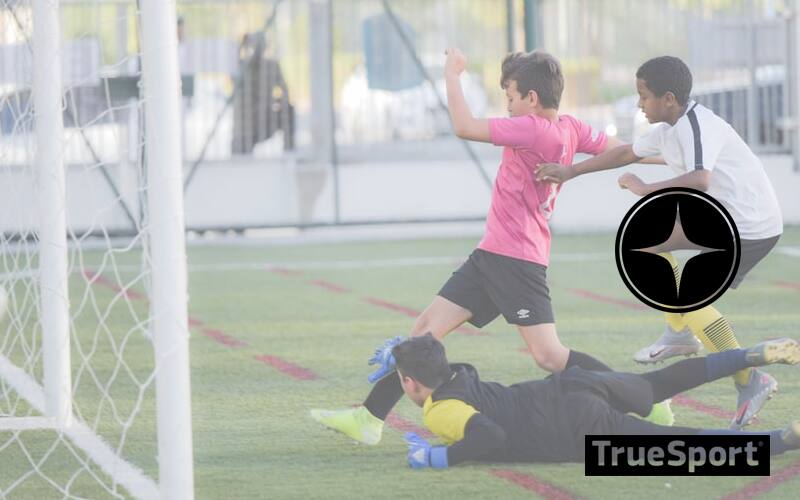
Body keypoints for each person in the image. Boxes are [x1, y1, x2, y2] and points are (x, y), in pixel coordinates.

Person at [311, 48, 671, 446]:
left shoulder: (532, 128)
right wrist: (667, 156)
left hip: (516, 260)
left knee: (550, 356)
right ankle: (369, 419)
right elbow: (620, 148)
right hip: (492, 255)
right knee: (424, 333)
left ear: (532, 98)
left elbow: (464, 126)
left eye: (511, 97)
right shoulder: (570, 127)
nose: (508, 106)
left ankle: (644, 398)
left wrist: (452, 74)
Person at [535, 56, 784, 429]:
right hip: (728, 216)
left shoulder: (698, 125)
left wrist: (646, 188)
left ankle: (749, 378)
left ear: (668, 99)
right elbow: (626, 152)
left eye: (644, 96)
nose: (639, 104)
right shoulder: (669, 128)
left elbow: (700, 179)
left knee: (688, 296)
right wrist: (571, 171)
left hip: (749, 225)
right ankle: (680, 332)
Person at [390, 334, 799, 469]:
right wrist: (405, 352)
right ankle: (748, 355)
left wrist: (438, 457)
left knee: (671, 447)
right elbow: (433, 360)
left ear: (410, 382)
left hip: (570, 424)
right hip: (574, 383)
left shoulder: (440, 410)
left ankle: (783, 439)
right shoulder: (460, 372)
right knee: (659, 382)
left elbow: (489, 436)